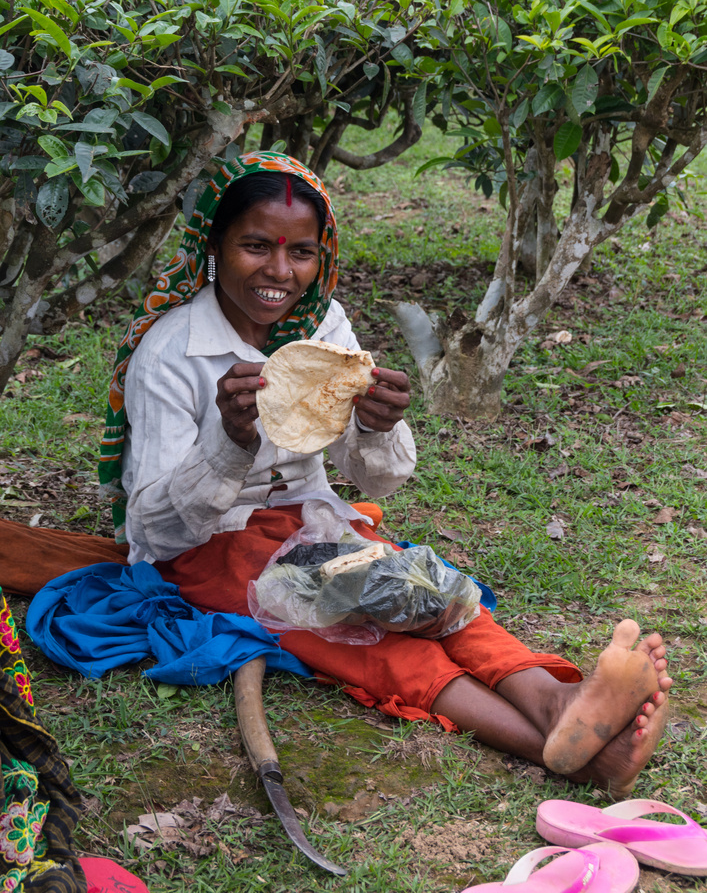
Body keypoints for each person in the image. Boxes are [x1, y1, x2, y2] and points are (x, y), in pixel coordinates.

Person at [101, 151, 671, 799]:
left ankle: (554, 700)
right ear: (215, 245)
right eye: (255, 246)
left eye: (301, 253)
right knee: (362, 634)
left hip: (308, 522)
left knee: (425, 588)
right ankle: (571, 749)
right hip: (211, 549)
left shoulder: (320, 323)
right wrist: (228, 442)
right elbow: (158, 531)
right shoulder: (170, 354)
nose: (280, 272)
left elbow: (373, 482)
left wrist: (372, 425)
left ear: (322, 256)